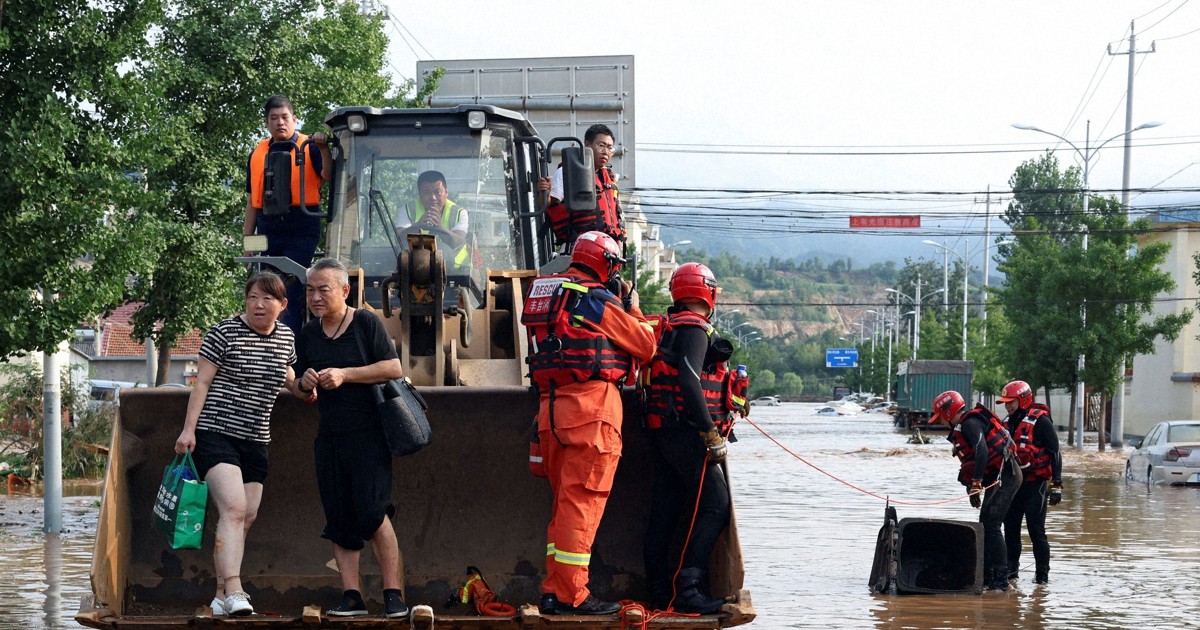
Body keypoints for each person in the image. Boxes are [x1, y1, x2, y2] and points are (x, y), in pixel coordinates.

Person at [520, 231, 656, 615]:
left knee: (564, 509)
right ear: (606, 265)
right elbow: (645, 345)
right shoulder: (595, 300)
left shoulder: (547, 294)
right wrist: (633, 306)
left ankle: (554, 589)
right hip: (591, 414)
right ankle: (572, 595)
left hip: (551, 413)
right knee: (581, 509)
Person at [174, 272, 300, 617]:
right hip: (216, 433)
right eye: (252, 297)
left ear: (282, 305)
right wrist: (188, 431)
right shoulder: (224, 332)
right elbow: (201, 383)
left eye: (267, 298)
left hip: (256, 439)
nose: (258, 304)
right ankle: (235, 589)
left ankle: (220, 597)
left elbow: (287, 375)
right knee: (233, 508)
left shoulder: (286, 337)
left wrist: (305, 387)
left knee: (246, 516)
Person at [293, 258, 409, 619]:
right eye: (310, 290)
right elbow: (299, 388)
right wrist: (303, 384)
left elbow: (394, 368)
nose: (315, 297)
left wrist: (346, 374)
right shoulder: (308, 334)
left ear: (344, 291)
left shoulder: (365, 323)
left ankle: (393, 594)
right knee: (339, 518)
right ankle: (353, 597)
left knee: (373, 512)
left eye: (323, 289)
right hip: (330, 436)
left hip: (369, 434)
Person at [642, 262, 744, 613]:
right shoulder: (695, 329)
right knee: (717, 505)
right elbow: (689, 381)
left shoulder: (670, 327)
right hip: (686, 434)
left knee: (666, 510)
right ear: (709, 292)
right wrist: (711, 434)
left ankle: (660, 593)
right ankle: (687, 589)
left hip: (664, 431)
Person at [243, 94, 332, 333]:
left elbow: (328, 176)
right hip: (268, 227)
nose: (280, 122)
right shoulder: (257, 153)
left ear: (294, 118)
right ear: (266, 122)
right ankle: (263, 337)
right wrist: (247, 244)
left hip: (301, 225)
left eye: (284, 117)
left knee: (288, 286)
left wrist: (324, 148)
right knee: (263, 287)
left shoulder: (310, 146)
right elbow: (252, 202)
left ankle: (287, 340)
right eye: (274, 118)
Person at [930, 390, 1023, 592]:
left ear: (948, 413)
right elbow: (974, 459)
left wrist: (976, 483)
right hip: (998, 477)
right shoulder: (964, 426)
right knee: (985, 524)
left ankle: (1001, 581)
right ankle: (988, 577)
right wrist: (972, 487)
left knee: (992, 525)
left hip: (1007, 475)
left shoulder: (970, 423)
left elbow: (982, 451)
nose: (941, 423)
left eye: (941, 418)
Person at [997, 380, 1063, 585]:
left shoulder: (1041, 421)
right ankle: (1011, 573)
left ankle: (1042, 577)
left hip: (1036, 485)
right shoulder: (1006, 423)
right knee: (1011, 529)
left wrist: (1056, 485)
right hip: (1013, 486)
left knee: (1036, 531)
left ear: (1023, 400)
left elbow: (1055, 452)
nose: (1007, 406)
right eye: (1005, 402)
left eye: (1011, 401)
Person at [537, 124, 624, 248]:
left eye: (610, 148)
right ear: (587, 145)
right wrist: (544, 190)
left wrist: (618, 246)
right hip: (579, 246)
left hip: (607, 247)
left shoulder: (610, 179)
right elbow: (545, 204)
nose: (606, 152)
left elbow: (616, 218)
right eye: (601, 146)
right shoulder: (567, 172)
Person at [393, 170, 471, 273]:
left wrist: (439, 227)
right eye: (427, 193)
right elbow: (398, 238)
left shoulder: (459, 213)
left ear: (446, 192)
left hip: (458, 271)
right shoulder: (407, 210)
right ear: (420, 194)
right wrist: (418, 226)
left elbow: (458, 241)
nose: (433, 198)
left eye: (437, 192)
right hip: (414, 270)